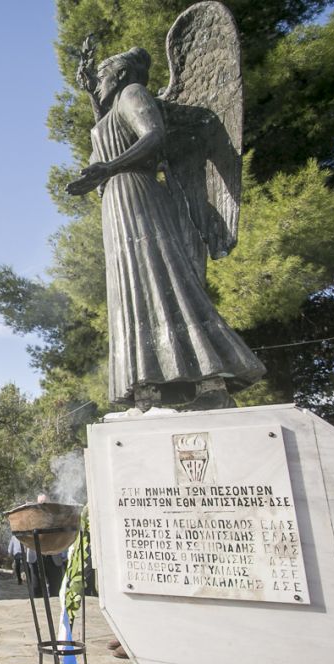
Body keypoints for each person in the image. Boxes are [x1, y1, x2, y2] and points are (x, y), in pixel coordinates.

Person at [64, 46, 264, 409]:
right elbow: (107, 136)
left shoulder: (133, 93)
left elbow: (154, 135)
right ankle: (149, 386)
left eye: (103, 75)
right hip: (117, 202)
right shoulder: (111, 108)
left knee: (161, 277)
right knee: (132, 288)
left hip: (137, 193)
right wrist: (92, 102)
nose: (99, 81)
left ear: (123, 74)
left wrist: (108, 169)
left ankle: (211, 383)